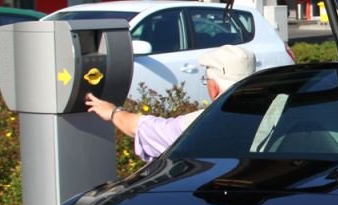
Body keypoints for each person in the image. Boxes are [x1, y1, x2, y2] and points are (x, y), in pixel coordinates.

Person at [85, 44, 256, 162]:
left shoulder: (204, 123)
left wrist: (114, 112)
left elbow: (149, 129)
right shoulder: (277, 113)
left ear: (214, 87)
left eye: (206, 81)